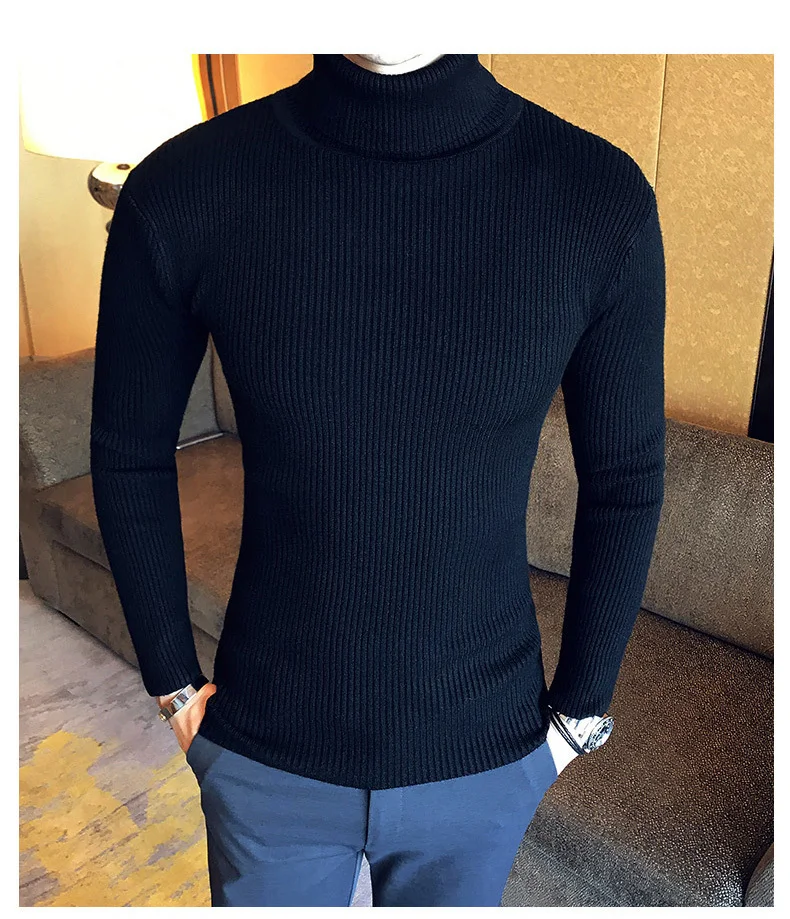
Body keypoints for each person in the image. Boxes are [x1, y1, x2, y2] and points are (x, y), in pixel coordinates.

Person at [90, 52, 666, 907]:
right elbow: (128, 450)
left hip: (486, 755)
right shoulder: (184, 189)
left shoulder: (597, 198)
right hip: (263, 752)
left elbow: (625, 476)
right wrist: (172, 684)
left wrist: (579, 714)